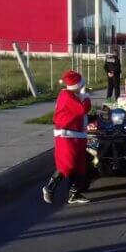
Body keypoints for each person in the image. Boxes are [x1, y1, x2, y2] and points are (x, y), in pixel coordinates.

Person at [42, 70, 92, 205]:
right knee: (67, 164)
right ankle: (49, 188)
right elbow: (83, 109)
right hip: (66, 135)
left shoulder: (73, 95)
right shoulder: (66, 96)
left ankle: (74, 194)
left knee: (80, 165)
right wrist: (85, 96)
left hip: (78, 135)